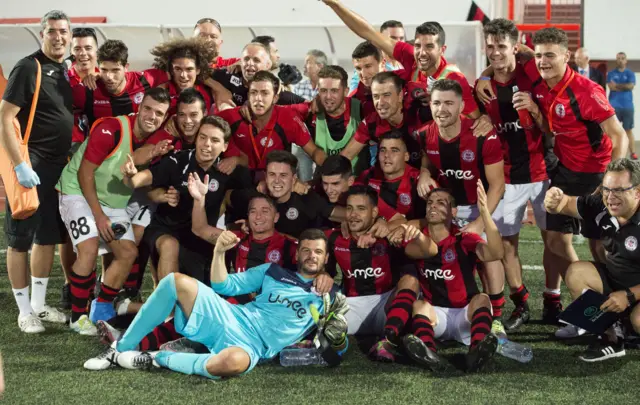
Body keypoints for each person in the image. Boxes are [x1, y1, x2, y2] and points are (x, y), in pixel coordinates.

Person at [83, 229, 348, 379]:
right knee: (176, 282)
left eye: (318, 252)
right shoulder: (274, 272)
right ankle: (120, 349)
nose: (311, 256)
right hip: (230, 317)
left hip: (252, 346)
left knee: (232, 363)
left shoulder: (328, 296)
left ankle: (154, 358)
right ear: (298, 251)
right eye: (306, 250)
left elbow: (335, 354)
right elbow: (224, 286)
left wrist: (338, 340)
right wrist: (219, 251)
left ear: (326, 258)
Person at [525, 28, 628, 329]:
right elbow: (553, 126)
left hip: (595, 173)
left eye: (549, 55)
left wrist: (611, 181)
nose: (543, 61)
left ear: (566, 56)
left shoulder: (587, 90)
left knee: (600, 247)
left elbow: (618, 135)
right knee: (556, 241)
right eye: (539, 55)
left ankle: (615, 306)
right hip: (564, 172)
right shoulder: (541, 87)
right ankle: (589, 304)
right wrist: (534, 110)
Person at [56, 88, 171, 333]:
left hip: (113, 200)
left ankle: (102, 307)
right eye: (148, 109)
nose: (152, 116)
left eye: (159, 113)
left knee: (127, 253)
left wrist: (153, 153)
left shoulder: (159, 137)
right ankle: (78, 317)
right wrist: (98, 216)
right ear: (139, 107)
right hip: (77, 190)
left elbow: (138, 155)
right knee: (87, 247)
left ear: (164, 117)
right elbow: (84, 172)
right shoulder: (111, 128)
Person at [0, 10, 73, 333]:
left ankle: (40, 306)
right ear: (42, 34)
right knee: (19, 240)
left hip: (58, 170)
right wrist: (19, 165)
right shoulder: (29, 66)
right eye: (52, 31)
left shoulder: (66, 70)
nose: (59, 37)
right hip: (31, 167)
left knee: (47, 238)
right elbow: (4, 117)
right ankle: (23, 310)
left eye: (63, 32)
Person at [479, 18, 552, 330]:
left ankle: (554, 299)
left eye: (502, 46)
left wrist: (535, 110)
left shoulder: (532, 75)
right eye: (491, 46)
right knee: (507, 246)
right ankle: (520, 302)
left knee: (556, 243)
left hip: (542, 174)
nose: (496, 52)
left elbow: (552, 132)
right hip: (506, 178)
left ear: (515, 45)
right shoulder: (482, 88)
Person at [416, 79, 507, 329]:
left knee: (487, 253)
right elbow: (427, 159)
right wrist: (424, 173)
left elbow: (498, 184)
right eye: (436, 103)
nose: (441, 109)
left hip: (483, 203)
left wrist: (480, 222)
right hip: (451, 207)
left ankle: (496, 317)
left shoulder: (482, 134)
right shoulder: (425, 134)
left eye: (448, 103)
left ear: (461, 107)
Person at [121, 115, 252, 284]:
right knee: (170, 246)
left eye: (214, 140)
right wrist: (130, 176)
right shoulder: (177, 160)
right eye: (202, 137)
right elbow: (137, 181)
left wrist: (245, 221)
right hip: (166, 229)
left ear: (225, 146)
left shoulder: (229, 171)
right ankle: (162, 305)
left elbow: (246, 199)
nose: (207, 144)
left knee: (197, 297)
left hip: (200, 237)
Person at [397, 182, 504, 372]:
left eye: (440, 203)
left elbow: (495, 253)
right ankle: (429, 354)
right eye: (430, 202)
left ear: (453, 212)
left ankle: (476, 352)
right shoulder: (417, 238)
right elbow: (417, 251)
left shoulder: (464, 238)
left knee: (482, 299)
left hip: (465, 316)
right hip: (435, 317)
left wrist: (485, 213)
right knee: (418, 305)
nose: (433, 206)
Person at [544, 158, 640, 360]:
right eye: (606, 189)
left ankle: (631, 327)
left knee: (638, 319)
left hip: (635, 291)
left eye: (619, 190)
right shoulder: (602, 204)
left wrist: (629, 296)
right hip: (617, 282)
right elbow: (566, 203)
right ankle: (611, 338)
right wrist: (554, 199)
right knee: (577, 272)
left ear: (637, 192)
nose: (610, 197)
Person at [321, 0, 480, 119]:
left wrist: (440, 103)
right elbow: (369, 33)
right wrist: (334, 4)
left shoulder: (454, 78)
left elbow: (475, 120)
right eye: (418, 46)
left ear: (442, 50)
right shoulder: (411, 58)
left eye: (430, 47)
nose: (422, 53)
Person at [325, 185, 419, 361]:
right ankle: (308, 339)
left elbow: (423, 222)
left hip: (385, 306)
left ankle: (388, 342)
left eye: (361, 209)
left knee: (411, 281)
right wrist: (322, 274)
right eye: (350, 208)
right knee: (318, 290)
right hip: (351, 306)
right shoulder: (334, 237)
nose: (353, 215)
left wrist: (394, 227)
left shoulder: (388, 235)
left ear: (374, 212)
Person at [218, 70, 326, 179]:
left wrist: (333, 169)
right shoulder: (231, 116)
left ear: (275, 98)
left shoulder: (288, 118)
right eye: (254, 92)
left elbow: (314, 151)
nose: (258, 98)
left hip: (276, 183)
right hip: (242, 183)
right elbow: (205, 126)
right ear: (248, 96)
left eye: (265, 93)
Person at [227, 151, 344, 238]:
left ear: (293, 179)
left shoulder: (307, 198)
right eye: (272, 174)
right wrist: (248, 222)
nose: (277, 181)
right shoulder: (254, 197)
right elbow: (226, 197)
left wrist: (350, 224)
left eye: (283, 175)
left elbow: (343, 215)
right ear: (265, 177)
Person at [72, 39, 169, 129]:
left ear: (126, 67)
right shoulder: (87, 90)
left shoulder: (143, 80)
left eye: (115, 70)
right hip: (101, 144)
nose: (109, 77)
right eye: (104, 70)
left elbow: (174, 74)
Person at [209, 42, 305, 111]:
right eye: (246, 59)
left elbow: (309, 107)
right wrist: (219, 88)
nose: (250, 63)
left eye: (256, 60)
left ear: (267, 65)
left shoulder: (278, 92)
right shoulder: (230, 75)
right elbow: (199, 71)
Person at [356, 130, 425, 221]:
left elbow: (434, 218)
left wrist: (399, 226)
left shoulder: (418, 180)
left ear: (406, 156)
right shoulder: (367, 176)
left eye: (394, 150)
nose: (387, 155)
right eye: (383, 150)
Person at [149, 37, 217, 116]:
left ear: (198, 70)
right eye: (178, 69)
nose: (183, 75)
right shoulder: (161, 92)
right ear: (171, 70)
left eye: (189, 69)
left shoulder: (210, 91)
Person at [348, 20, 405, 93]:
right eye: (393, 38)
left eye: (401, 38)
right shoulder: (364, 68)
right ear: (380, 40)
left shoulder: (406, 64)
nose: (398, 42)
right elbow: (354, 96)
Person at [608, 52, 636, 159]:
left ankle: (633, 153)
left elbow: (630, 86)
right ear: (616, 60)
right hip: (614, 107)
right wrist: (624, 86)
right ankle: (611, 154)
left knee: (628, 130)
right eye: (618, 58)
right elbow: (612, 87)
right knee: (613, 131)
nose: (620, 60)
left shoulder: (630, 73)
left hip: (627, 107)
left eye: (622, 58)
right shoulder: (611, 73)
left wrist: (618, 86)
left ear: (626, 60)